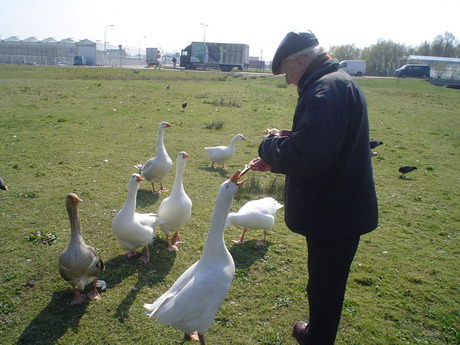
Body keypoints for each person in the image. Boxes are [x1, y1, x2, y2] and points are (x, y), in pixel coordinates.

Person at [250, 31, 378, 344]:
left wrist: (269, 147)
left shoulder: (326, 89)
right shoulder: (335, 82)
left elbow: (310, 155)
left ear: (300, 60)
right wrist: (288, 144)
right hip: (339, 208)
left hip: (334, 213)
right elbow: (322, 142)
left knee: (325, 283)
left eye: (285, 72)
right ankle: (319, 333)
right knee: (327, 281)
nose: (287, 80)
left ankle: (318, 338)